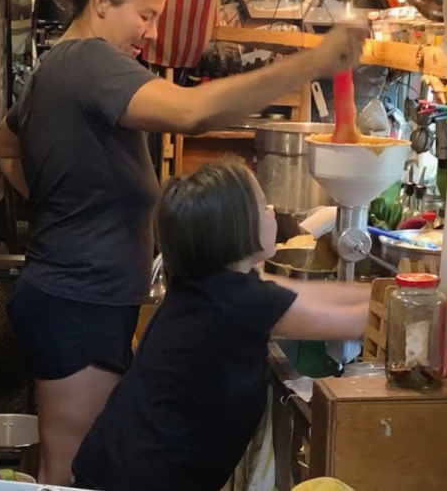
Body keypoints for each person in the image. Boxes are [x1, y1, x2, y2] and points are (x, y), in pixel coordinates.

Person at [0, 0, 368, 486]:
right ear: (103, 1)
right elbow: (192, 113)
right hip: (79, 297)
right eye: (146, 14)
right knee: (74, 468)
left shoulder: (53, 67)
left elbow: (3, 144)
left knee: (75, 457)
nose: (150, 32)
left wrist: (60, 199)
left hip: (79, 294)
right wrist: (312, 63)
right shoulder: (91, 61)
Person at [71, 161, 370, 491]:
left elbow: (309, 294)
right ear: (237, 228)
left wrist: (388, 290)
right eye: (262, 204)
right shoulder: (237, 303)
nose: (271, 210)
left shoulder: (207, 285)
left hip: (108, 469)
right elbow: (355, 319)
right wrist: (419, 299)